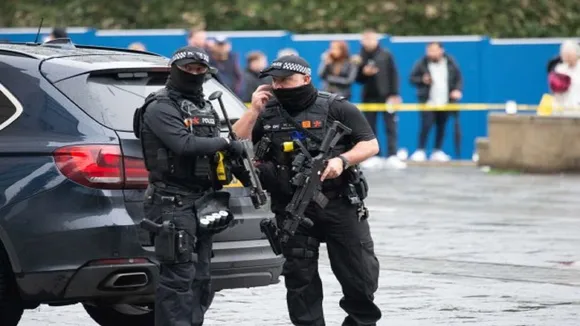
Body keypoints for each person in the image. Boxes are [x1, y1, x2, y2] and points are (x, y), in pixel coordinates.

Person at [232, 55, 382, 326]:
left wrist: (341, 160)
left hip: (340, 204)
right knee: (300, 282)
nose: (279, 87)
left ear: (306, 79)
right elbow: (235, 142)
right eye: (275, 81)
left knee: (360, 277)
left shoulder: (337, 107)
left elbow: (370, 144)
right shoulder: (267, 110)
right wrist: (253, 110)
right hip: (291, 208)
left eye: (286, 80)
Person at [136, 46, 244, 326]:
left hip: (203, 201)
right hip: (172, 203)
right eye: (189, 69)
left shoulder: (205, 106)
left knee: (202, 277)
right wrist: (224, 143)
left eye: (200, 70)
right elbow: (183, 144)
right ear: (174, 69)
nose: (194, 74)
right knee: (178, 280)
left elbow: (214, 150)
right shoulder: (160, 106)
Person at [356, 29, 406, 170]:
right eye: (365, 39)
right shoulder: (359, 57)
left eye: (371, 39)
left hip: (387, 97)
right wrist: (364, 73)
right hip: (369, 98)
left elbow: (394, 74)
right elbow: (357, 79)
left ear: (376, 40)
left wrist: (395, 94)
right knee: (369, 128)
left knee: (391, 126)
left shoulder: (386, 54)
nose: (368, 42)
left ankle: (392, 155)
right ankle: (374, 156)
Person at [409, 41, 463, 161]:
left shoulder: (450, 62)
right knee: (426, 125)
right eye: (429, 50)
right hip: (428, 101)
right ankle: (420, 150)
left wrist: (457, 90)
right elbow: (412, 78)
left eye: (434, 50)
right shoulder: (422, 63)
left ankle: (437, 151)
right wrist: (422, 80)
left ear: (441, 50)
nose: (431, 53)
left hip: (445, 101)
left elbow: (459, 78)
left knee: (442, 126)